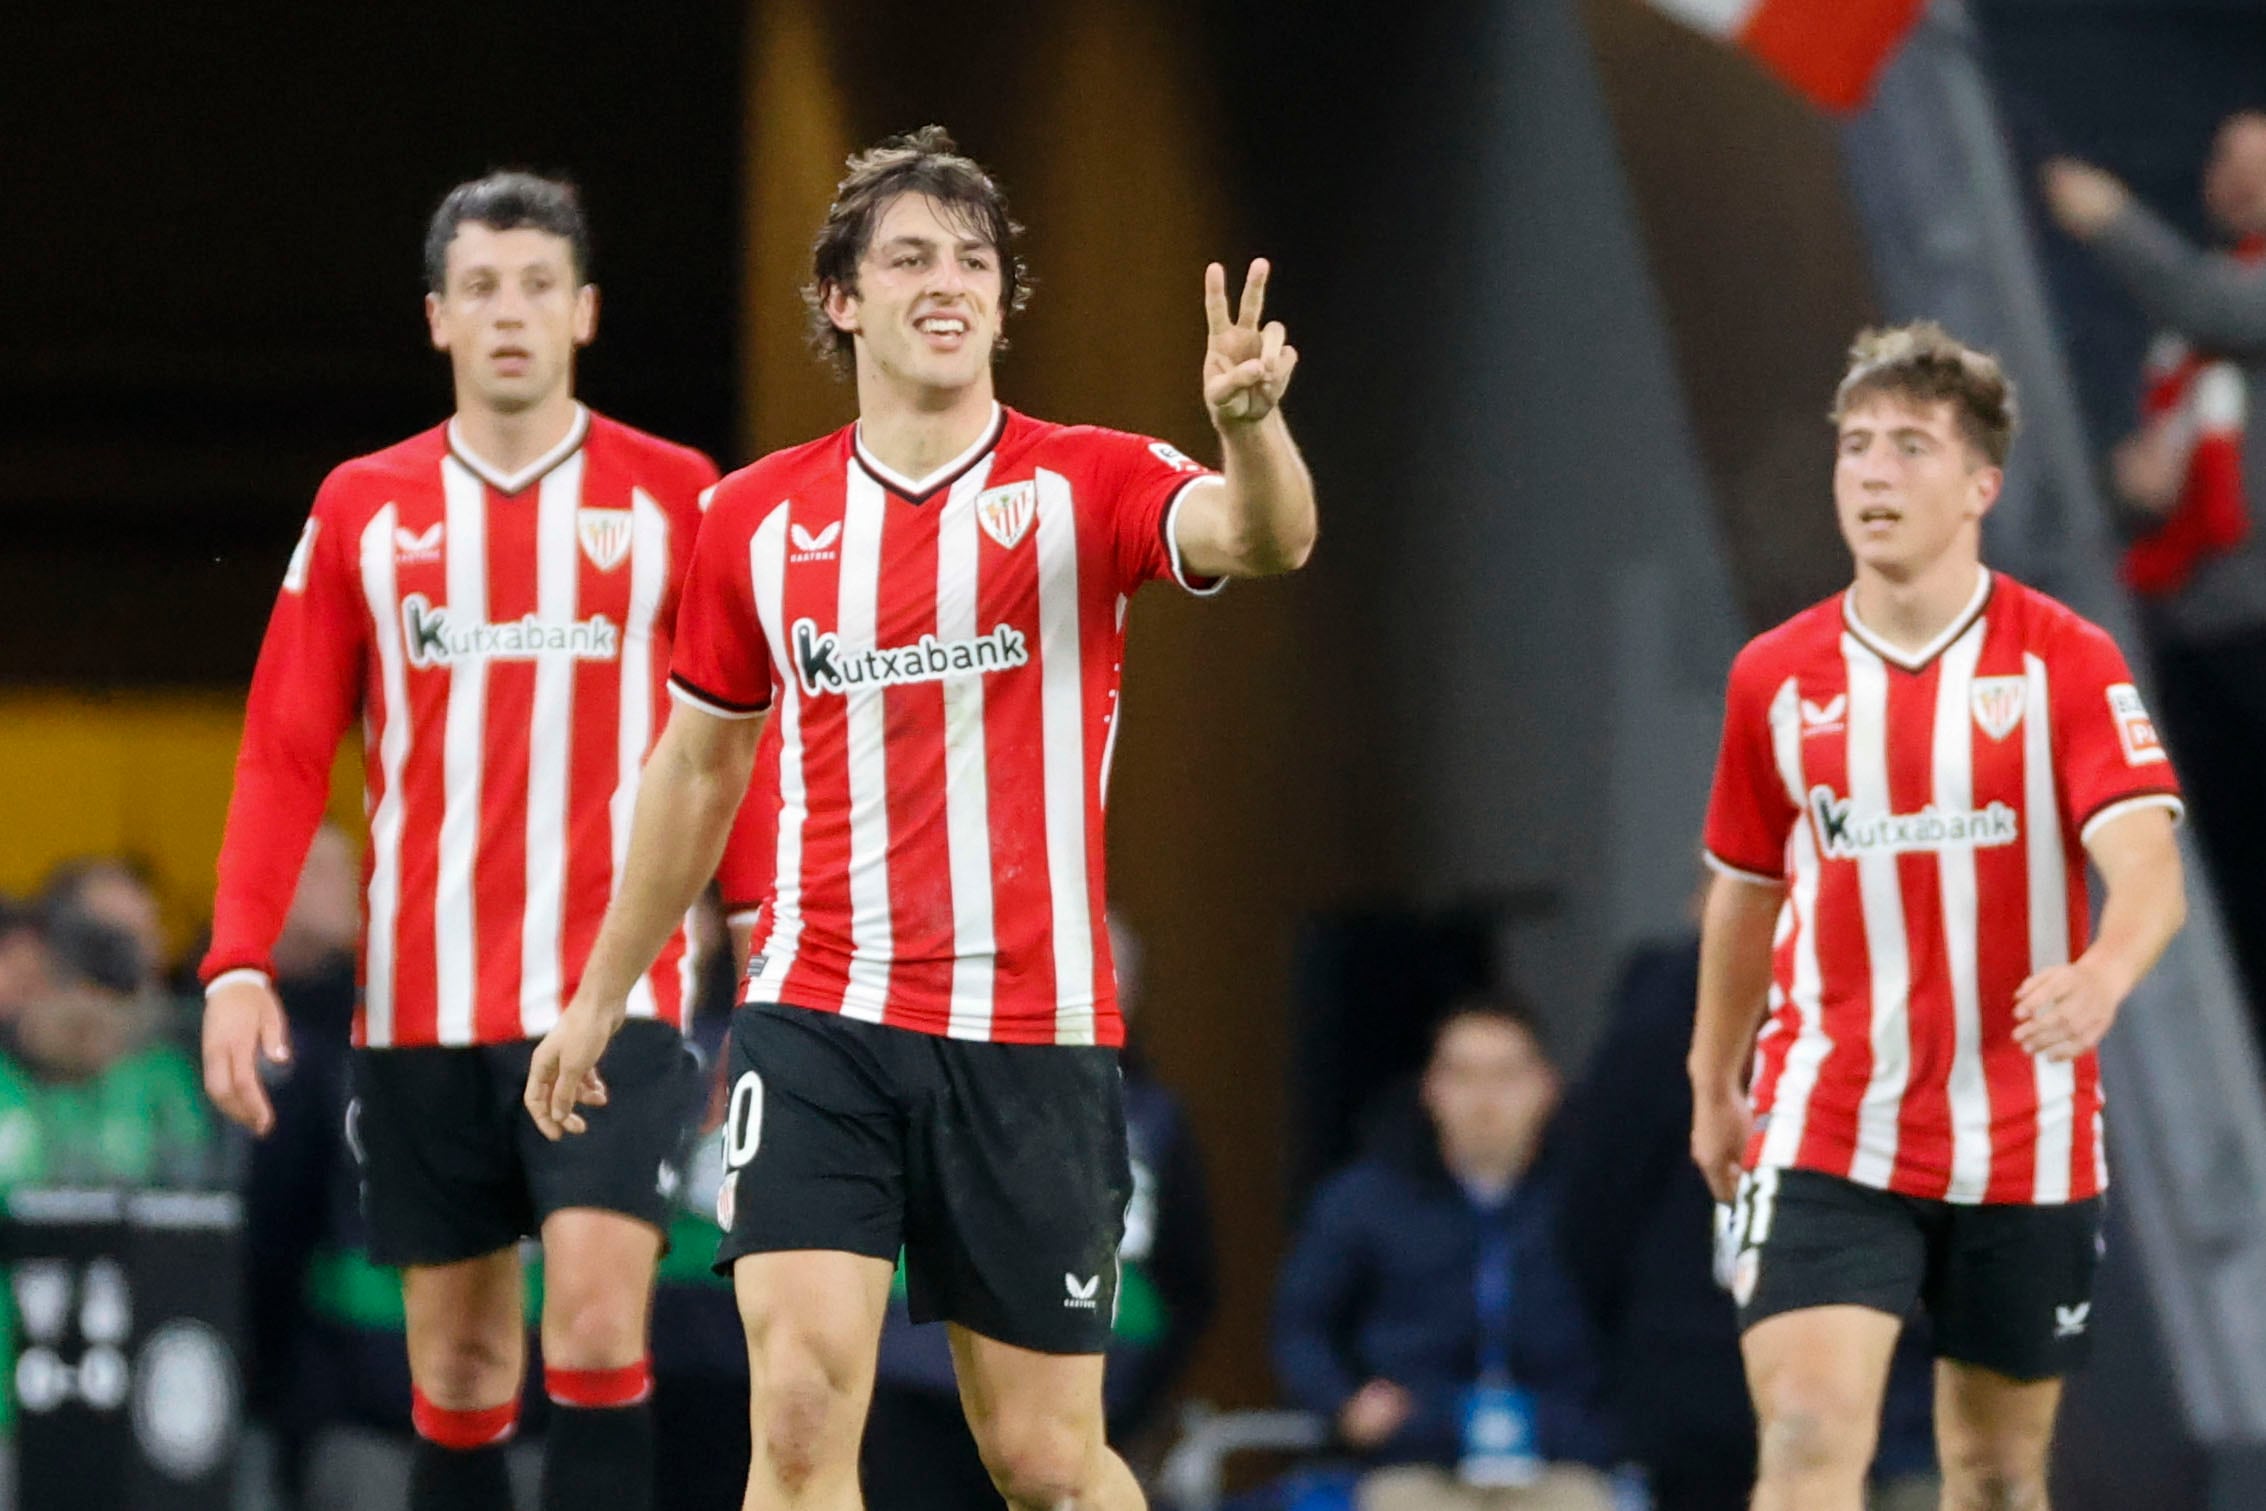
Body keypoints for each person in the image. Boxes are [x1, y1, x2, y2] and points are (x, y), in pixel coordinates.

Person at [524, 125, 1316, 1511]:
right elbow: (698, 769)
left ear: (1003, 301)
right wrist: (602, 991)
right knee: (803, 1404)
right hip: (818, 1010)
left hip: (1031, 1028)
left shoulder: (1084, 480)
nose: (945, 279)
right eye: (907, 256)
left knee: (1046, 1460)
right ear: (844, 299)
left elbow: (1265, 540)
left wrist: (1249, 435)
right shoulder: (755, 518)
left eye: (973, 258)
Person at [199, 170, 749, 1511]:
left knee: (601, 1328)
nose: (513, 314)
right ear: (440, 318)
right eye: (484, 289)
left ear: (585, 311)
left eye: (539, 286)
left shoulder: (678, 495)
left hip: (614, 990)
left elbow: (740, 739)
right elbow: (282, 745)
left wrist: (771, 934)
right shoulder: (362, 507)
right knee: (456, 1364)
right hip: (423, 998)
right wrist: (235, 958)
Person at [1690, 322, 2190, 1511]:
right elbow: (1743, 892)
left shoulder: (2064, 662)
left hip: (2023, 1130)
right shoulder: (1776, 674)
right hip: (1829, 1118)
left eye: (1909, 446)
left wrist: (2101, 975)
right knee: (1809, 1430)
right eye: (1854, 445)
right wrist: (1715, 1079)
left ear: (1980, 486)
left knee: (1998, 1469)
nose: (1871, 471)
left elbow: (2148, 867)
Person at [2041, 115, 2266, 1033]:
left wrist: (2110, 217)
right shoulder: (2186, 354)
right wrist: (2130, 484)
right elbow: (2159, 463)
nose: (2237, 175)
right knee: (2232, 865)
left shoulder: (2218, 307)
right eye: (2226, 159)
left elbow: (2211, 303)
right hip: (2198, 625)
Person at [1273, 1000, 1617, 1511]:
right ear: (1431, 1089)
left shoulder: (1597, 1202)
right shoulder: (1365, 1200)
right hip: (1416, 1458)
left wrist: (1614, 1420)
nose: (1485, 1099)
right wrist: (1345, 1402)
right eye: (1464, 1076)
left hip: (1562, 1458)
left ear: (1548, 1087)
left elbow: (1645, 1319)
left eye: (1506, 1076)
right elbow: (1301, 1324)